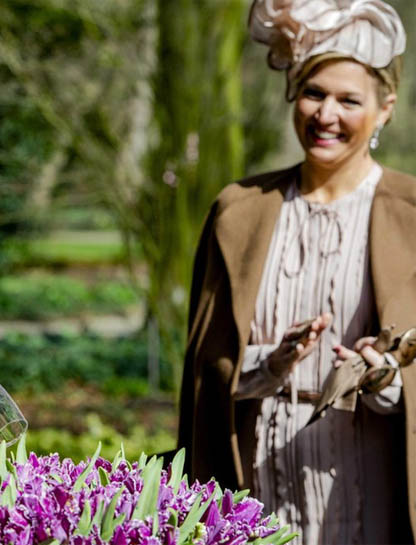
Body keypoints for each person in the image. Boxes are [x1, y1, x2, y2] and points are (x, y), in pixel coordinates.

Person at [178, 1, 416, 543]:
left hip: (371, 494)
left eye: (349, 100)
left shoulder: (412, 214)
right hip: (255, 487)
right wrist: (270, 361)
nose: (325, 115)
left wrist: (384, 377)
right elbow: (203, 369)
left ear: (385, 109)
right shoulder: (239, 211)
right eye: (314, 93)